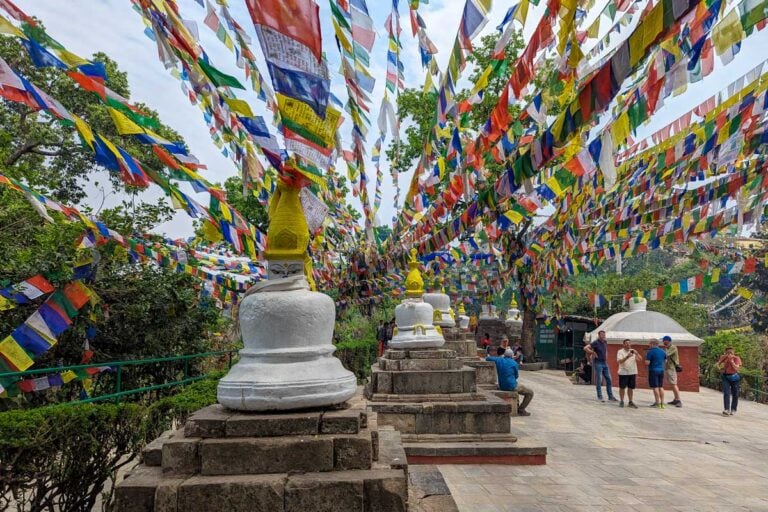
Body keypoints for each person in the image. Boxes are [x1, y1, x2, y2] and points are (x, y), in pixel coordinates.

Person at [486, 347, 534, 416]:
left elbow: (488, 358)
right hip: (511, 386)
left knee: (516, 387)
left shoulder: (499, 360)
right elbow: (516, 376)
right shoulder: (514, 363)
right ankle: (521, 409)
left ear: (504, 355)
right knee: (530, 393)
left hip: (502, 386)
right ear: (512, 356)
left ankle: (518, 406)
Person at [583, 330, 617, 402]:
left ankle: (610, 396)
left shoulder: (605, 342)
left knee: (609, 379)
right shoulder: (596, 342)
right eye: (602, 335)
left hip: (605, 363)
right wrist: (592, 352)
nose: (603, 336)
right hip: (598, 363)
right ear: (599, 335)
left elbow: (605, 351)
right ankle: (600, 396)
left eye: (604, 335)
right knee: (599, 380)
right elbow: (585, 348)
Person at [716, 346, 743, 416]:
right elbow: (717, 364)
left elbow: (737, 369)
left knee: (735, 394)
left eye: (731, 352)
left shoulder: (736, 358)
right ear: (725, 353)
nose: (729, 354)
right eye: (728, 352)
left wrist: (732, 361)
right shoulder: (723, 357)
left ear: (734, 352)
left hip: (734, 377)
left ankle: (733, 409)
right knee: (726, 393)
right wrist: (720, 368)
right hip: (725, 377)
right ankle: (726, 409)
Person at [616, 339, 642, 409]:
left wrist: (637, 353)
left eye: (629, 344)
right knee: (622, 388)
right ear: (623, 344)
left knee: (630, 388)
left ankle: (630, 402)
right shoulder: (620, 351)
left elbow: (640, 359)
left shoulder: (633, 351)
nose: (628, 345)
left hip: (632, 372)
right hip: (623, 373)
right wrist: (627, 356)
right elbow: (619, 361)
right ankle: (621, 401)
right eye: (626, 344)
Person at [645, 338, 667, 408]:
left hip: (653, 370)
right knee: (661, 387)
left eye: (649, 343)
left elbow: (647, 363)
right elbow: (665, 361)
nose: (648, 345)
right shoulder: (663, 351)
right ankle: (662, 403)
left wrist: (646, 362)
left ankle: (657, 403)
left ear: (652, 344)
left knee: (655, 387)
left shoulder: (650, 352)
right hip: (661, 370)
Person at [662, 335, 683, 407]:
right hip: (668, 368)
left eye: (664, 340)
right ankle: (675, 399)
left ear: (668, 341)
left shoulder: (673, 347)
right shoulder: (667, 348)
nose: (663, 342)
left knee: (674, 384)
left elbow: (666, 355)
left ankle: (679, 400)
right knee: (672, 384)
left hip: (672, 368)